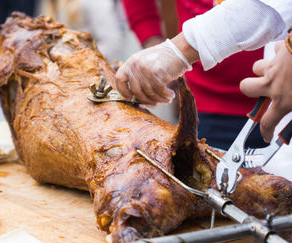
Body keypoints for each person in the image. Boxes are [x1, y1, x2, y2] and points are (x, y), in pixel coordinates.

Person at [116, 0, 292, 145]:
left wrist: (180, 50)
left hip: (279, 100)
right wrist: (157, 43)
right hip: (208, 102)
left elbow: (267, 8)